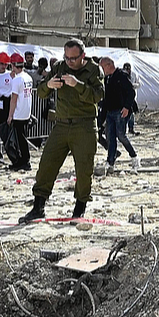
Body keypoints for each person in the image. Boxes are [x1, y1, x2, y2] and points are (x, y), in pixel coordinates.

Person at [20, 39, 105, 224]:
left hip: (84, 125)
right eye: (66, 57)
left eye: (73, 58)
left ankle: (79, 209)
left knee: (84, 170)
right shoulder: (59, 67)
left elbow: (98, 96)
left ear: (82, 56)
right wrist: (49, 85)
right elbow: (41, 92)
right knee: (46, 165)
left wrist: (78, 84)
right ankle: (38, 207)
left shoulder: (93, 70)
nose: (69, 62)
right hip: (61, 125)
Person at [101, 55, 139, 168]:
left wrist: (127, 107)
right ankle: (110, 162)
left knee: (121, 135)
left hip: (121, 111)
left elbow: (131, 92)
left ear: (109, 65)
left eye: (102, 67)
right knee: (110, 137)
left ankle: (134, 156)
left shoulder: (122, 75)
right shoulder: (107, 78)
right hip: (110, 111)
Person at [2, 53, 34, 171]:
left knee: (20, 140)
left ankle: (24, 161)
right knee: (22, 138)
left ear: (13, 65)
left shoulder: (17, 80)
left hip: (19, 113)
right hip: (26, 111)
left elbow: (14, 99)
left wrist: (10, 115)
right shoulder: (27, 77)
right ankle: (23, 160)